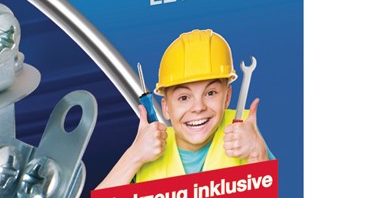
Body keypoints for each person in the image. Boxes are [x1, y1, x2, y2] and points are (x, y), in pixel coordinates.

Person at [98, 29, 268, 187]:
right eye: (184, 98)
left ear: (227, 97)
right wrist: (134, 156)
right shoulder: (147, 148)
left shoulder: (246, 134)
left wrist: (257, 154)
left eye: (210, 93)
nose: (198, 107)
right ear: (166, 108)